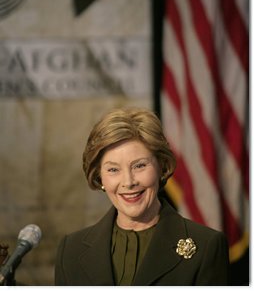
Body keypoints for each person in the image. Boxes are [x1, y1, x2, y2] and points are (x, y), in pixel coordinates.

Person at [55, 107, 229, 286]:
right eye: (113, 169)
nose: (128, 182)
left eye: (139, 166)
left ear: (161, 166)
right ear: (100, 177)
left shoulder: (206, 246)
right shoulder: (71, 250)